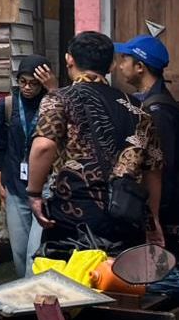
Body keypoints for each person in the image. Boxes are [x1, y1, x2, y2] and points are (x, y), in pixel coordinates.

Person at [26, 32, 164, 256]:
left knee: (68, 286)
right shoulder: (139, 110)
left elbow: (43, 146)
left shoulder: (58, 99)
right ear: (110, 65)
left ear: (69, 59)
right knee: (117, 286)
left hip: (72, 219)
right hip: (125, 218)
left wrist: (33, 194)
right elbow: (153, 171)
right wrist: (153, 220)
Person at [0, 55, 58, 276]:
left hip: (45, 188)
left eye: (34, 83)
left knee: (34, 253)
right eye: (23, 81)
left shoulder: (53, 103)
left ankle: (32, 305)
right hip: (15, 185)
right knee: (18, 251)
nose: (27, 88)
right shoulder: (6, 105)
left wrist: (54, 89)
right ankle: (24, 295)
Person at [112, 34, 178, 255]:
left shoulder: (158, 111)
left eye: (124, 59)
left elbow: (163, 168)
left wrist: (154, 217)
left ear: (139, 66)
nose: (120, 66)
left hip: (164, 216)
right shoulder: (146, 102)